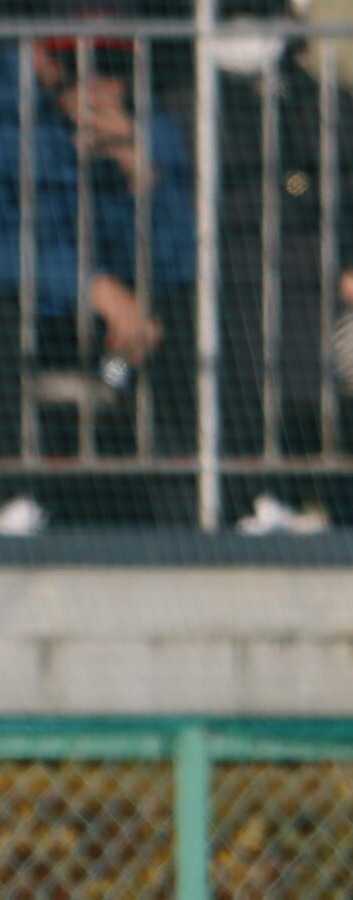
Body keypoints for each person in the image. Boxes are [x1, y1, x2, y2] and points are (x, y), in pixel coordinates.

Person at [0, 37, 196, 533]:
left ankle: (209, 509)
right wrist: (93, 286)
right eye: (81, 65)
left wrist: (139, 175)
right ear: (43, 63)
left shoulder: (142, 128)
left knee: (181, 311)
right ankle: (8, 500)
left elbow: (177, 260)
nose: (101, 84)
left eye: (114, 66)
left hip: (73, 320)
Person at [210, 0, 353, 533]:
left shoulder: (322, 105)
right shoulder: (192, 102)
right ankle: (264, 498)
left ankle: (331, 504)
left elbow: (331, 192)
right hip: (237, 286)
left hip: (323, 287)